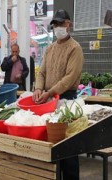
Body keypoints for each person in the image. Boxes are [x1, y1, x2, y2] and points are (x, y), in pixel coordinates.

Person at [32, 9, 84, 180]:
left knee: (68, 147)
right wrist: (39, 89)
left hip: (66, 100)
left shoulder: (75, 48)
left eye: (61, 24)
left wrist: (50, 92)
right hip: (48, 101)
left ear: (69, 25)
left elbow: (70, 78)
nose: (58, 28)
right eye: (55, 25)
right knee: (52, 145)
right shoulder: (49, 48)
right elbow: (42, 72)